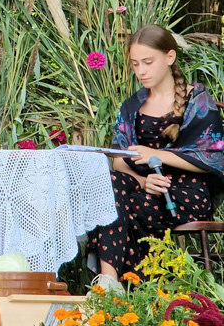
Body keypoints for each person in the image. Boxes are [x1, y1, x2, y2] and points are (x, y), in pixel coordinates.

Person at [88, 24, 224, 290]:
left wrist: (157, 155)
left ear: (170, 57)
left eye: (148, 62)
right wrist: (142, 181)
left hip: (186, 193)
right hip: (144, 187)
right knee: (109, 185)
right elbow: (118, 159)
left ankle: (125, 288)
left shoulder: (198, 99)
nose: (141, 71)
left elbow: (213, 157)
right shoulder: (132, 105)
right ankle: (110, 282)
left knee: (120, 208)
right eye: (136, 64)